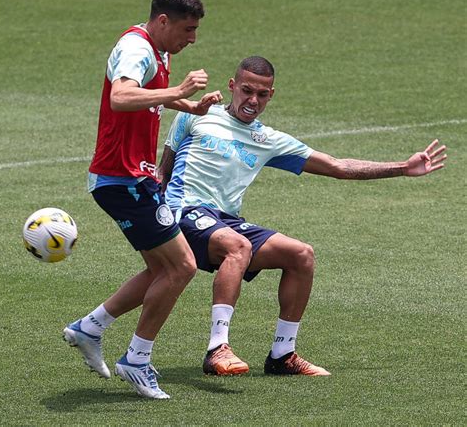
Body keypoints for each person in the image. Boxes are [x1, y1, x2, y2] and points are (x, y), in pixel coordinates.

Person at [159, 56, 447, 377]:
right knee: (236, 246)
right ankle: (217, 348)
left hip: (225, 221)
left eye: (263, 94)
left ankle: (283, 355)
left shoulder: (267, 139)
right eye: (246, 90)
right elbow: (162, 171)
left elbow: (338, 166)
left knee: (301, 255)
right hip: (183, 213)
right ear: (232, 86)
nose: (253, 100)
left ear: (272, 94)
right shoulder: (197, 115)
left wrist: (402, 168)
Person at [63, 0, 222, 400]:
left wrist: (190, 107)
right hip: (122, 179)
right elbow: (121, 96)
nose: (193, 39)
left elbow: (149, 100)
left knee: (163, 270)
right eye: (187, 30)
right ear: (163, 20)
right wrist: (180, 91)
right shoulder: (136, 49)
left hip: (135, 178)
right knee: (184, 266)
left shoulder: (160, 50)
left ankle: (89, 328)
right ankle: (136, 359)